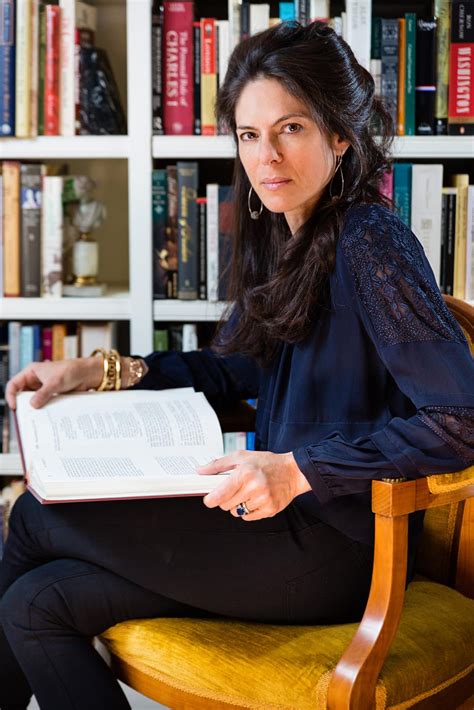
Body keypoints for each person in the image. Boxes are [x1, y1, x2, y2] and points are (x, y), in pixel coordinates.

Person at [1, 20, 473, 710]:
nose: (267, 157)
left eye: (292, 129)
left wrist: (298, 469)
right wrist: (101, 371)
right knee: (35, 605)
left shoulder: (371, 240)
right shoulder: (291, 238)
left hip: (330, 546)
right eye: (250, 136)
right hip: (273, 530)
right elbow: (240, 372)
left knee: (33, 517)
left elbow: (461, 417)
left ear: (340, 136)